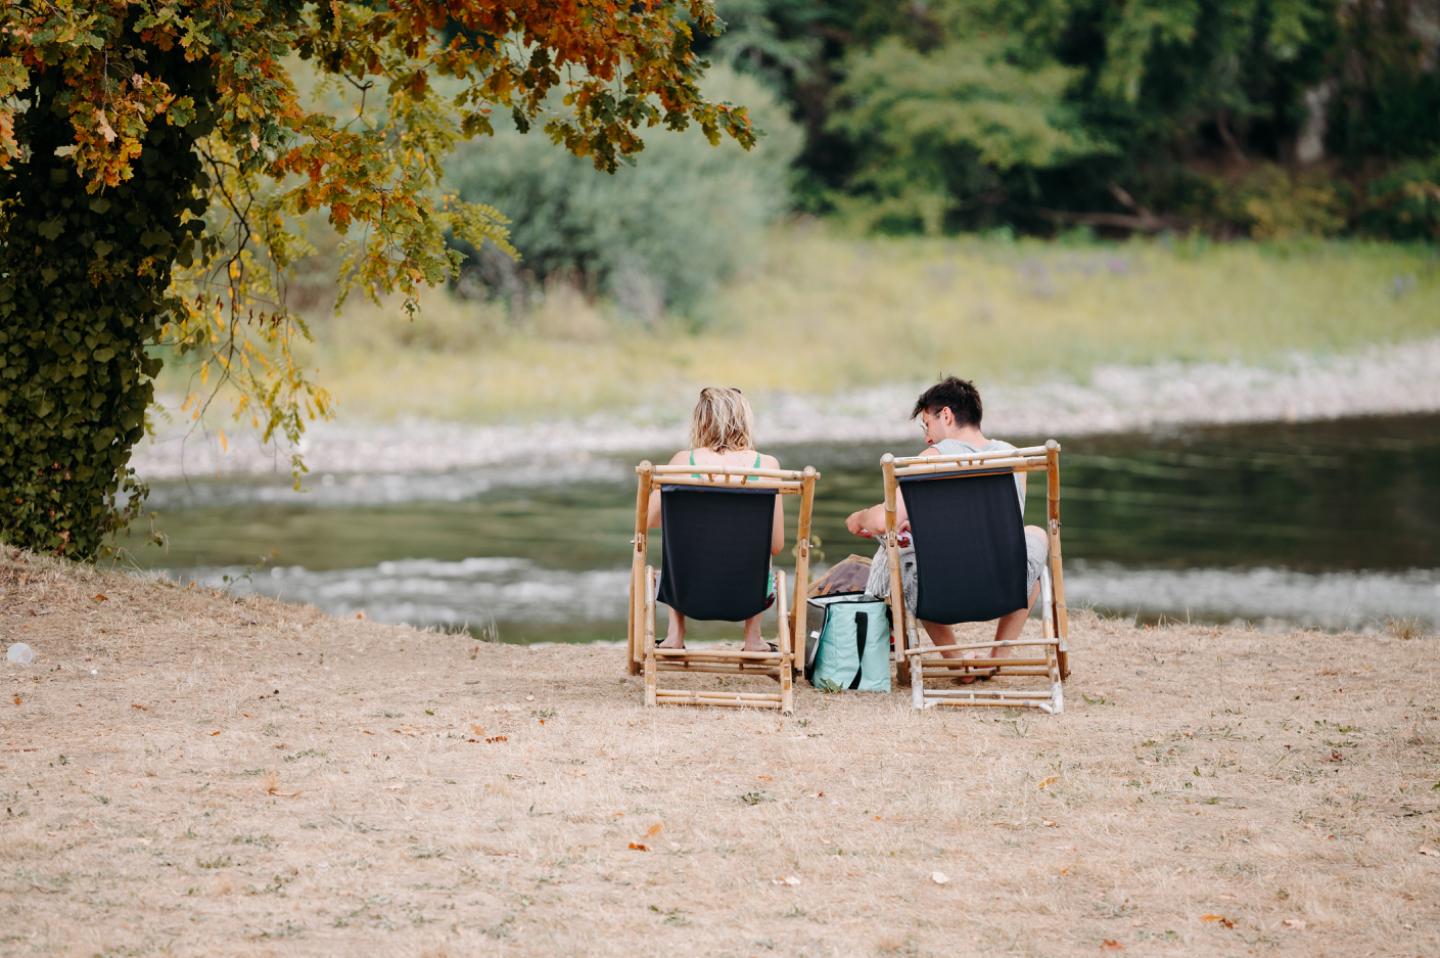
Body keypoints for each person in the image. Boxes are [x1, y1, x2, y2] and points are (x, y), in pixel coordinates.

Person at [845, 377, 1047, 676]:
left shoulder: (933, 460)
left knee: (910, 559)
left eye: (927, 424)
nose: (927, 437)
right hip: (1005, 584)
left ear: (947, 416)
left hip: (940, 590)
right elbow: (994, 529)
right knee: (1034, 535)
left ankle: (955, 660)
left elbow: (881, 521)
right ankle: (997, 655)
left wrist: (859, 517)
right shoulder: (1013, 458)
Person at [648, 387, 784, 652]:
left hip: (687, 587)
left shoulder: (682, 462)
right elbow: (776, 545)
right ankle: (753, 639)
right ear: (744, 420)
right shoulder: (767, 467)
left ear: (701, 421)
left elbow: (647, 520)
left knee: (678, 545)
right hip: (747, 592)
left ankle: (675, 636)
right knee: (762, 554)